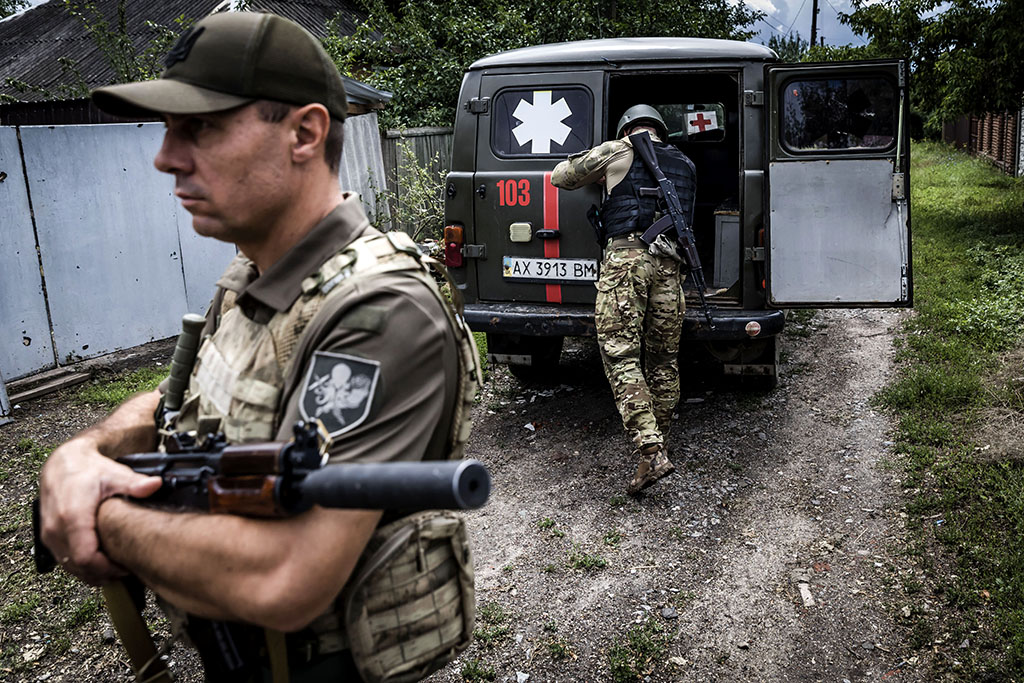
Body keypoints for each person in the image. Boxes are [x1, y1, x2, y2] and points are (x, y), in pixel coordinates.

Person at [38, 11, 477, 682]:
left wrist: (102, 512)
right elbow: (178, 401)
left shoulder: (381, 309)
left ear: (305, 133)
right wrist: (87, 452)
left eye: (201, 126)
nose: (165, 157)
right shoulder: (255, 269)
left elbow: (286, 577)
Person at [551, 104, 696, 495]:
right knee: (664, 360)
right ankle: (657, 446)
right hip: (671, 269)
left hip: (628, 260)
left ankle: (650, 450)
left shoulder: (618, 150)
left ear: (627, 128)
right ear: (662, 130)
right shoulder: (685, 164)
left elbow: (560, 177)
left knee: (620, 353)